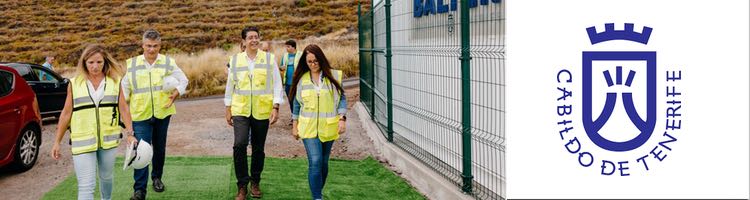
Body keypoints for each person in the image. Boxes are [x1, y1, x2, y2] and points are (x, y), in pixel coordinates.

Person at [50, 44, 136, 200]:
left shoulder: (115, 82)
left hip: (109, 141)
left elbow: (123, 108)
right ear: (84, 63)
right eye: (91, 62)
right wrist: (57, 141)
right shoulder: (74, 83)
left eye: (99, 62)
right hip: (82, 141)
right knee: (86, 185)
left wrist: (130, 133)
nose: (95, 66)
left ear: (105, 62)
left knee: (106, 178)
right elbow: (66, 113)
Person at [123, 29, 189, 200]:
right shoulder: (132, 64)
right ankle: (139, 190)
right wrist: (122, 113)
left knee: (159, 148)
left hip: (162, 112)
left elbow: (184, 80)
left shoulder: (168, 62)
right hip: (140, 114)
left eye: (155, 46)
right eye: (148, 46)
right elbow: (124, 90)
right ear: (142, 45)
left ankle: (157, 178)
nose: (152, 49)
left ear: (160, 45)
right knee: (142, 150)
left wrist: (177, 93)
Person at [224, 26, 284, 199]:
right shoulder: (234, 60)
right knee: (239, 145)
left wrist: (275, 106)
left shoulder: (269, 59)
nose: (254, 40)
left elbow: (277, 84)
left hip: (261, 109)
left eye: (256, 37)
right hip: (240, 109)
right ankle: (242, 185)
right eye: (250, 37)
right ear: (243, 41)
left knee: (258, 148)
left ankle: (255, 182)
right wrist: (228, 108)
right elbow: (230, 86)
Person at [288, 44, 347, 200]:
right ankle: (317, 198)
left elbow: (342, 98)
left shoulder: (334, 76)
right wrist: (294, 125)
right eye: (309, 62)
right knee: (315, 161)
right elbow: (296, 103)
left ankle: (317, 191)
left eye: (315, 61)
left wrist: (342, 118)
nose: (313, 64)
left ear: (321, 59)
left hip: (328, 127)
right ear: (305, 63)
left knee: (324, 163)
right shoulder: (302, 79)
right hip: (308, 128)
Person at [280, 40, 302, 118]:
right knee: (290, 100)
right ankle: (294, 117)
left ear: (293, 47)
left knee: (298, 100)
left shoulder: (300, 55)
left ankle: (300, 116)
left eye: (288, 47)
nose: (286, 48)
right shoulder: (285, 56)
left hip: (298, 82)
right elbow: (281, 67)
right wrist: (282, 68)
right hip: (287, 83)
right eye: (286, 46)